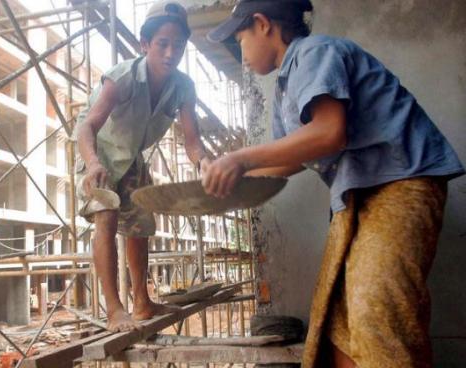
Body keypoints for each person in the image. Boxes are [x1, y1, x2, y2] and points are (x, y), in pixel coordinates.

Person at [205, 0, 464, 367]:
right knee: (337, 322)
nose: (240, 51)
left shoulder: (314, 52)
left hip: (402, 183)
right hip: (359, 195)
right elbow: (290, 160)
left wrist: (241, 158)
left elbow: (329, 132)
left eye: (240, 38)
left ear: (262, 24)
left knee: (377, 309)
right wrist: (232, 180)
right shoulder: (285, 87)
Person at [75, 1, 210, 332]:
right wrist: (92, 164)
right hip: (99, 152)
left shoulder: (184, 87)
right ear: (145, 44)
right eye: (162, 44)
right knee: (106, 215)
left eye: (177, 46)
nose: (170, 52)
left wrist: (205, 163)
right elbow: (86, 127)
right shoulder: (122, 78)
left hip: (131, 156)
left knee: (142, 222)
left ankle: (141, 301)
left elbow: (192, 142)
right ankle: (114, 310)